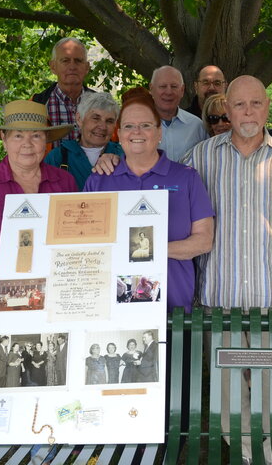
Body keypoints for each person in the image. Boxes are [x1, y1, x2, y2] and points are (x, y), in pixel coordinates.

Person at [184, 75, 272, 465]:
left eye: (255, 105)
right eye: (238, 105)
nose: (247, 113)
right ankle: (242, 452)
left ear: (267, 108)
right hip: (220, 293)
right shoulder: (200, 157)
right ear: (227, 108)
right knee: (228, 384)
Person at [0, 101, 77, 352]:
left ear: (46, 139)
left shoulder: (64, 182)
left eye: (36, 135)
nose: (27, 144)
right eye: (18, 135)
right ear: (3, 137)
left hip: (54, 301)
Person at [85, 87, 214, 312]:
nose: (137, 132)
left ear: (159, 132)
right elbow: (84, 244)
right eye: (129, 126)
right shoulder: (99, 181)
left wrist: (146, 251)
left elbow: (203, 241)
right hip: (111, 308)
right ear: (119, 132)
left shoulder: (186, 178)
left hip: (174, 307)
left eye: (145, 125)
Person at [44, 92, 123, 189]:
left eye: (109, 121)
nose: (102, 126)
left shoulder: (123, 156)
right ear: (79, 119)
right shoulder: (57, 157)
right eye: (95, 118)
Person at [31, 37, 96, 141]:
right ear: (53, 67)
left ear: (87, 67)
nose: (72, 67)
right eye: (65, 61)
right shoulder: (36, 104)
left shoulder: (101, 105)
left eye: (78, 61)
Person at [149, 66, 207, 160]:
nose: (168, 92)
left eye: (174, 86)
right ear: (151, 89)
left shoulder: (197, 126)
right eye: (163, 86)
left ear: (182, 90)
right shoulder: (138, 126)